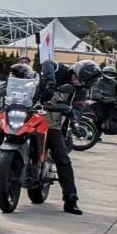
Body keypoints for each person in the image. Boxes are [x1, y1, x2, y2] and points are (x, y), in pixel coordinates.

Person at [35, 60, 83, 214]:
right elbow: (47, 63)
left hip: (51, 125)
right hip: (30, 117)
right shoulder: (59, 70)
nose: (78, 81)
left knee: (62, 159)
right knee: (3, 135)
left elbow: (78, 110)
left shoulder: (81, 90)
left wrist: (70, 111)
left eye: (82, 81)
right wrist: (50, 81)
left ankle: (70, 199)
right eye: (78, 77)